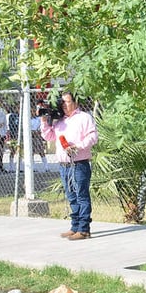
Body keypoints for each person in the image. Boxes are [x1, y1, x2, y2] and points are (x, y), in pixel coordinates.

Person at [41, 91, 99, 240]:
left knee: (81, 196)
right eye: (62, 102)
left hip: (79, 164)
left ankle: (84, 229)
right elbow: (48, 136)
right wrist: (44, 120)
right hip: (64, 165)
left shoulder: (84, 117)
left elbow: (93, 137)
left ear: (75, 102)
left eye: (66, 102)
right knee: (71, 196)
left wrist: (77, 147)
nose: (64, 105)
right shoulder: (60, 121)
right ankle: (75, 226)